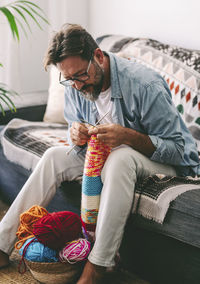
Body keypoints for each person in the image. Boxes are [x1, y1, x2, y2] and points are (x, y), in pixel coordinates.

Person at [0, 23, 199, 284]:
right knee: (53, 157)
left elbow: (180, 151)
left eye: (81, 75)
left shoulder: (144, 85)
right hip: (107, 155)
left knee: (120, 158)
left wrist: (128, 137)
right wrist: (75, 133)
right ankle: (3, 245)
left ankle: (98, 265)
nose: (77, 85)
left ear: (99, 57)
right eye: (68, 78)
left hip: (162, 160)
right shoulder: (74, 84)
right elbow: (76, 125)